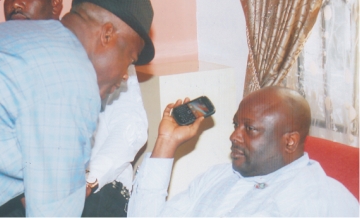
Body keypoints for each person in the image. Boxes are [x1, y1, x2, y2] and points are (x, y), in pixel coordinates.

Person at [0, 0, 154, 217]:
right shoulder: (70, 77)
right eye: (130, 59)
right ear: (107, 35)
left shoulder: (19, 37)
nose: (125, 76)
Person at [127, 86, 359, 217]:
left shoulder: (319, 200)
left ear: (290, 142)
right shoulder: (218, 177)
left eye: (250, 129)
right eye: (236, 125)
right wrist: (166, 143)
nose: (234, 136)